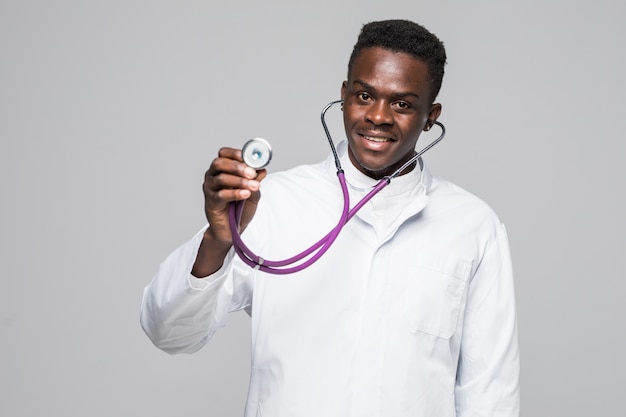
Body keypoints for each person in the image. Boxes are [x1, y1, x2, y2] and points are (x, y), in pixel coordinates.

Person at [141, 19, 520, 417]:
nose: (378, 116)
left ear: (431, 115)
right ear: (343, 96)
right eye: (364, 95)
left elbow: (490, 393)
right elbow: (168, 332)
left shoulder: (473, 226)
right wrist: (218, 241)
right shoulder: (271, 203)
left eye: (403, 104)